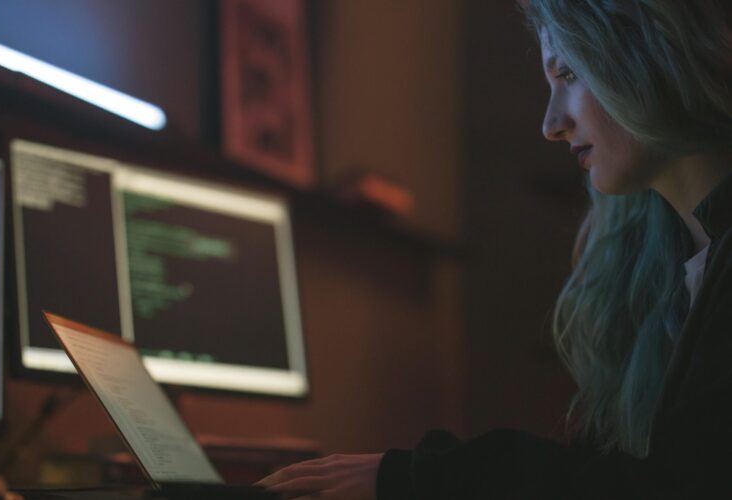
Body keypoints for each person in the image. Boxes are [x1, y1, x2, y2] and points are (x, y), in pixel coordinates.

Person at [256, 0, 732, 498]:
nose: (552, 124)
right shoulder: (666, 267)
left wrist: (418, 479)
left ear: (652, 53)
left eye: (568, 73)